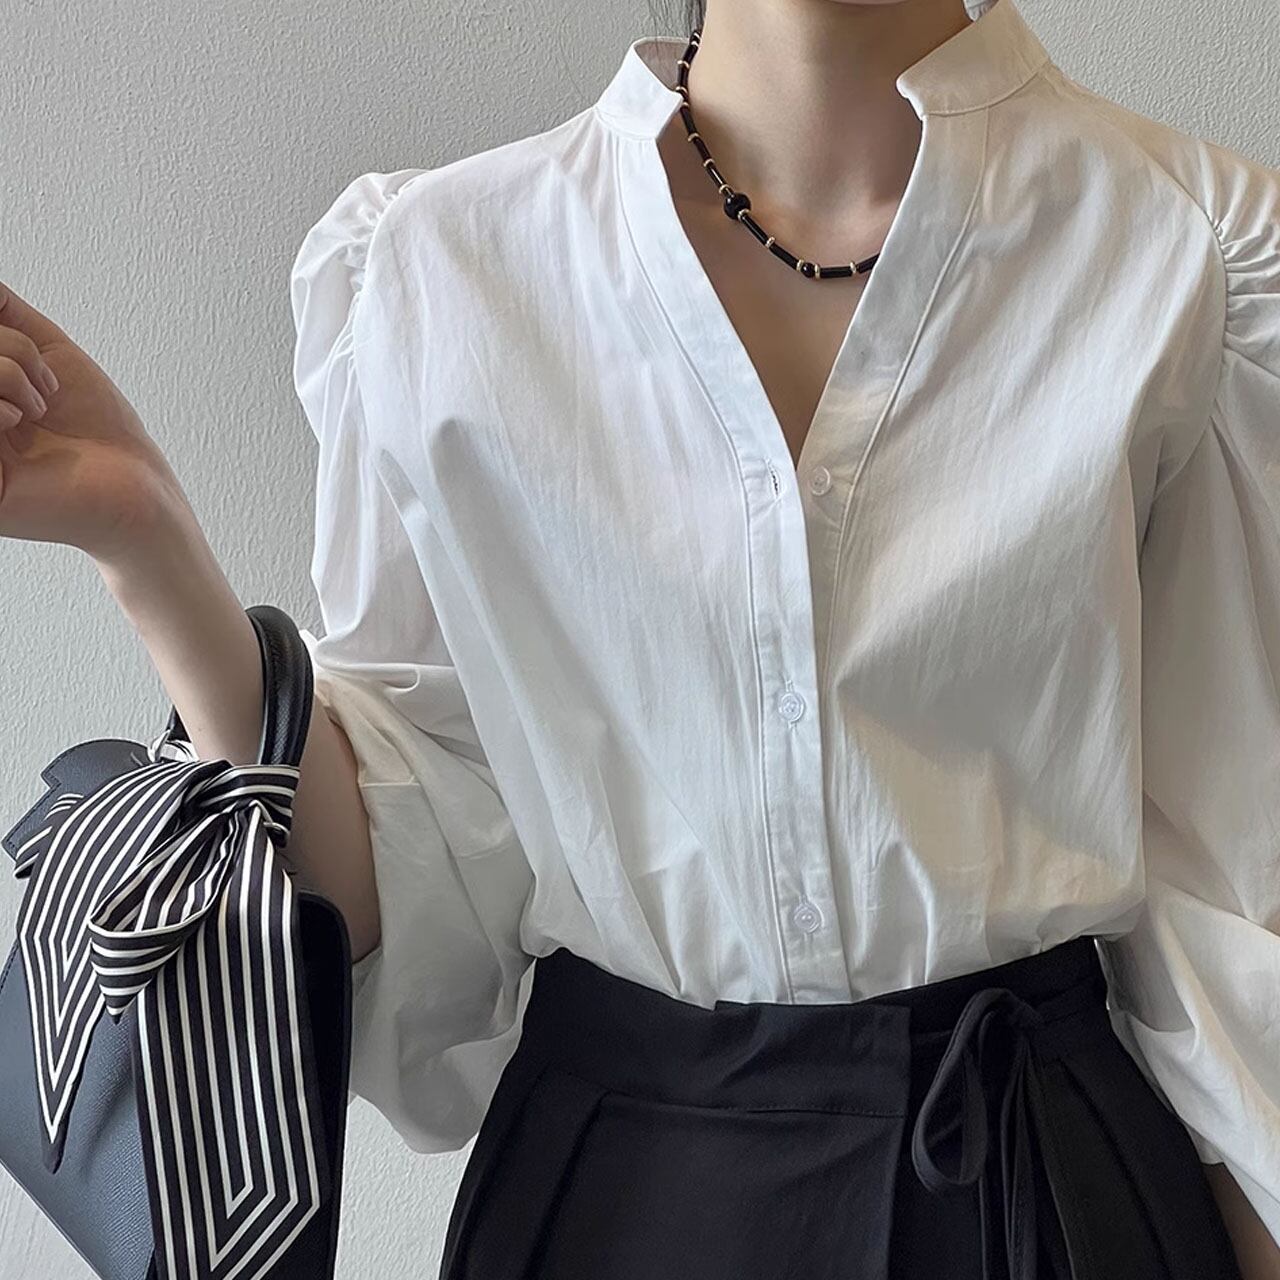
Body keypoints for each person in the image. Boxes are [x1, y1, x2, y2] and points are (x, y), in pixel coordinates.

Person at [1, 0, 1278, 1274]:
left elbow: (1235, 899)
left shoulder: (1189, 253)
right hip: (618, 1204)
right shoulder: (444, 268)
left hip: (1038, 1191)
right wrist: (146, 542)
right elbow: (406, 874)